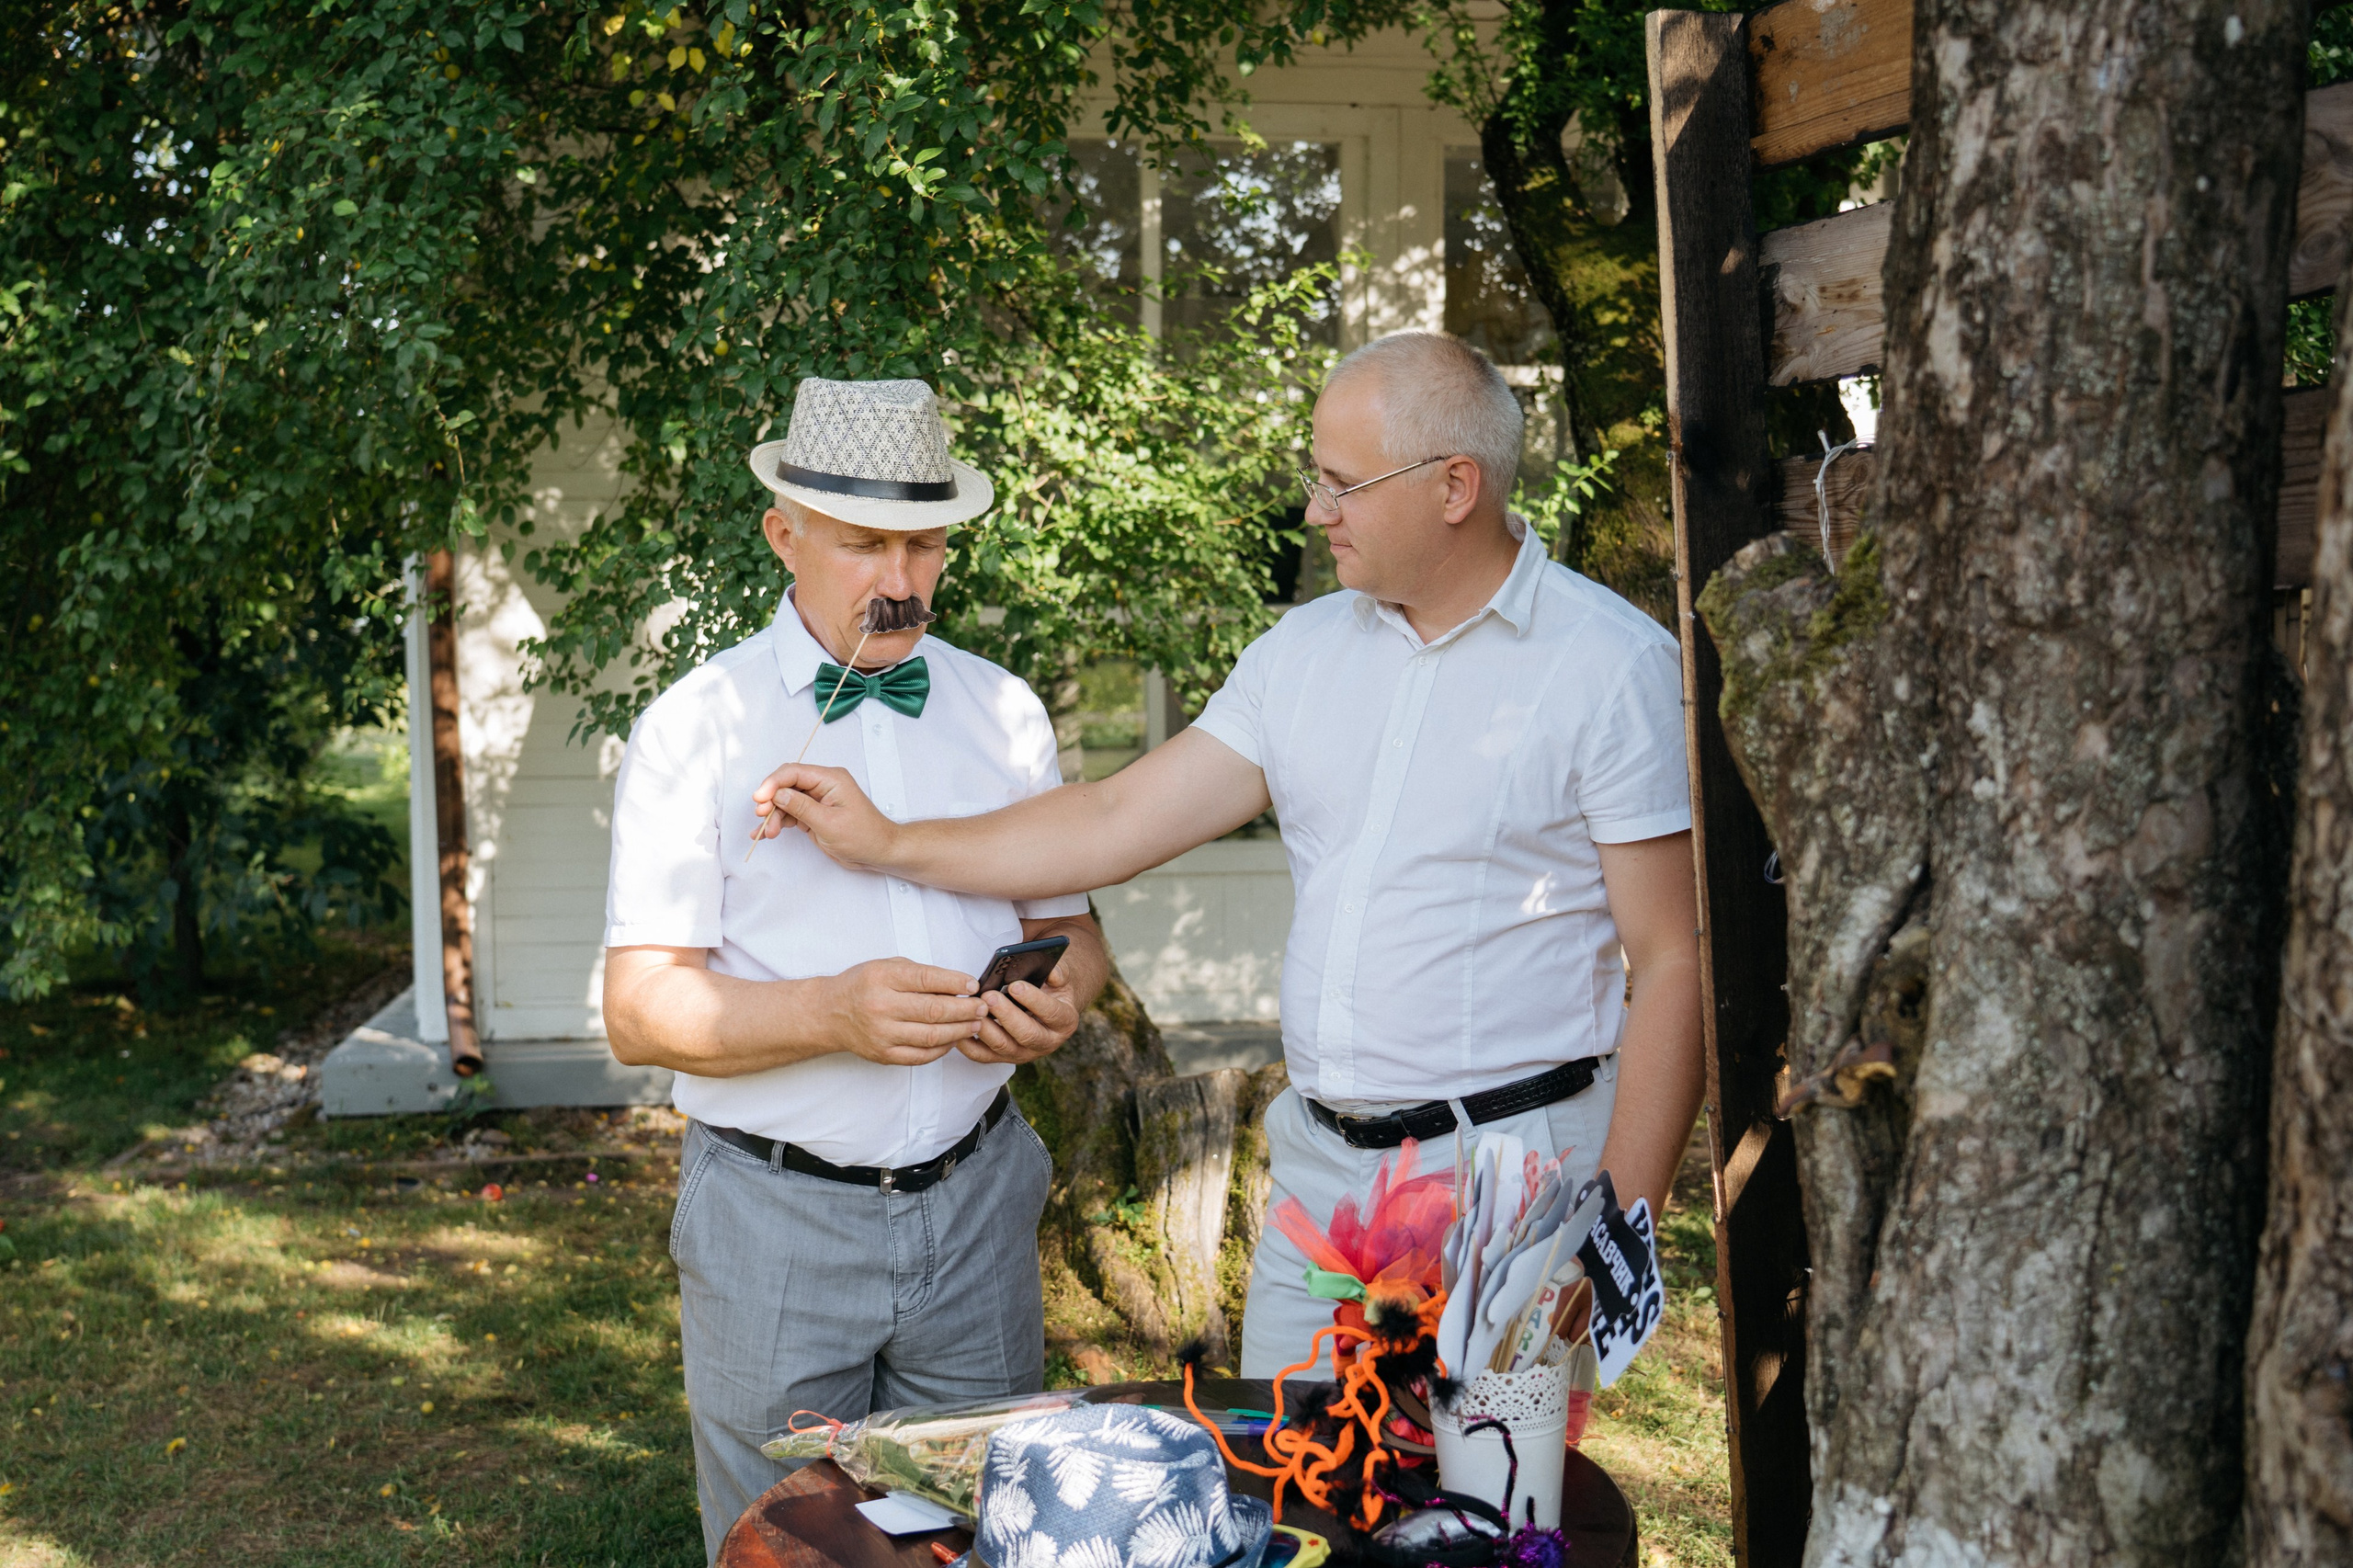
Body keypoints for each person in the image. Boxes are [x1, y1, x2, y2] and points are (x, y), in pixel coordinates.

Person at [748, 333, 1701, 1379]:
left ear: (1453, 487)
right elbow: (1110, 819)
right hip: (1318, 1177)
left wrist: (1609, 1234)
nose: (1313, 510)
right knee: (1291, 1511)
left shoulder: (1609, 669)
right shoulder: (1302, 653)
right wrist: (890, 841)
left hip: (1510, 1181)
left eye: (1340, 484)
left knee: (1483, 1523)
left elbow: (1671, 962)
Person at [598, 376, 1109, 1560]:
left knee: (980, 1530)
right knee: (785, 1545)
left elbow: (1074, 930)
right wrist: (833, 1011)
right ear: (785, 533)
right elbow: (638, 1010)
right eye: (864, 541)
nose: (901, 575)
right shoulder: (699, 726)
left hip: (979, 1201)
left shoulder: (1002, 709)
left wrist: (1058, 999)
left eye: (923, 541)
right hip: (775, 1217)